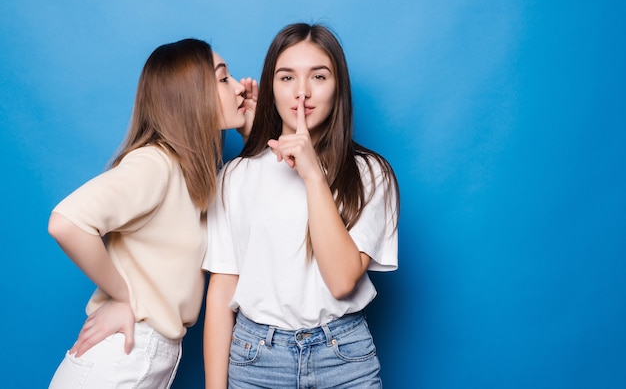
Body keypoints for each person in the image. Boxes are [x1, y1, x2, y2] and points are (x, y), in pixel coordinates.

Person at [47, 38, 257, 389]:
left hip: (142, 358)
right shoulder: (155, 163)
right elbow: (66, 222)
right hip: (123, 357)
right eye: (223, 79)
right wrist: (122, 296)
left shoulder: (193, 177)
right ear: (191, 95)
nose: (238, 88)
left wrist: (253, 131)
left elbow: (261, 195)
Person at [203, 23, 400, 388]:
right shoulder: (236, 176)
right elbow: (221, 293)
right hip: (256, 360)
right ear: (271, 86)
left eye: (319, 77)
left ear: (338, 87)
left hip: (344, 360)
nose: (302, 93)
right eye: (287, 77)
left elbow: (342, 281)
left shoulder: (371, 174)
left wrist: (313, 175)